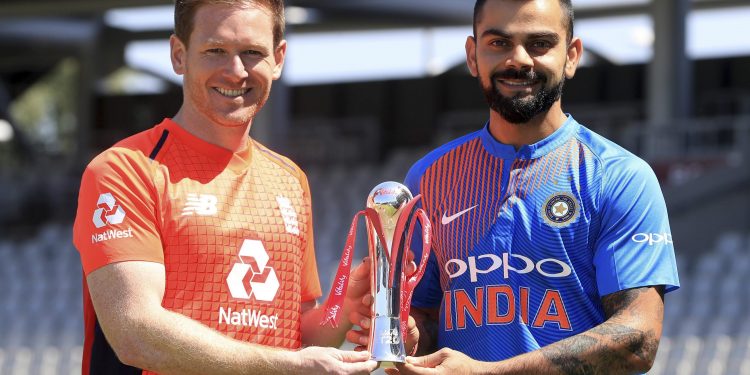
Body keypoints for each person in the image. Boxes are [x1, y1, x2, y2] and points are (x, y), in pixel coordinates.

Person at [72, 1, 378, 374]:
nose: (236, 72)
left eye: (252, 52)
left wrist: (344, 308)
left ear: (278, 59)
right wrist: (283, 367)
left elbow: (296, 337)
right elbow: (136, 333)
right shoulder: (125, 171)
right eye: (216, 50)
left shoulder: (290, 180)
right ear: (179, 55)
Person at [393, 0, 681, 373]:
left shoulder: (619, 176)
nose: (519, 59)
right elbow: (425, 316)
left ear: (572, 56)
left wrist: (490, 373)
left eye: (540, 44)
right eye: (498, 43)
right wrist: (411, 334)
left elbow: (638, 338)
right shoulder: (428, 177)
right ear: (472, 55)